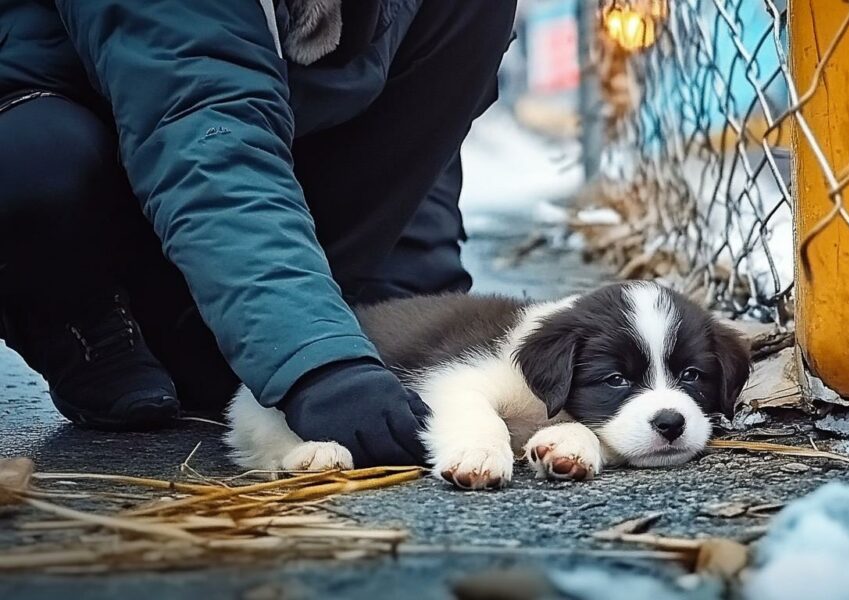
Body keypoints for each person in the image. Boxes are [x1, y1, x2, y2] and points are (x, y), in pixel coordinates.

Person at [0, 0, 519, 467]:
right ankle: (82, 327)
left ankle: (254, 332)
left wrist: (402, 331)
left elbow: (418, 137)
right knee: (36, 164)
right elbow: (205, 130)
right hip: (93, 157)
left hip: (238, 187)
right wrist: (319, 363)